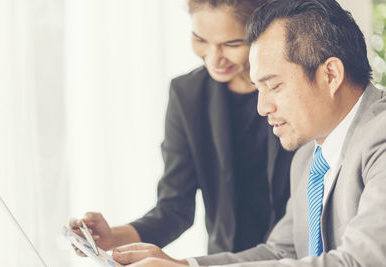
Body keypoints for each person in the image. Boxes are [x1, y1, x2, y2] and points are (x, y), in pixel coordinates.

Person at [107, 0, 386, 266]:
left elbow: (360, 262)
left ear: (331, 75)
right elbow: (281, 251)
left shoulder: (379, 139)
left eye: (274, 86)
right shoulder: (308, 157)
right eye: (258, 88)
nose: (262, 108)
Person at [70, 0, 294, 255]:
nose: (214, 59)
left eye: (232, 44)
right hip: (225, 260)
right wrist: (110, 237)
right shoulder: (187, 95)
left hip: (300, 255)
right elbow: (174, 208)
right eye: (200, 39)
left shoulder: (294, 90)